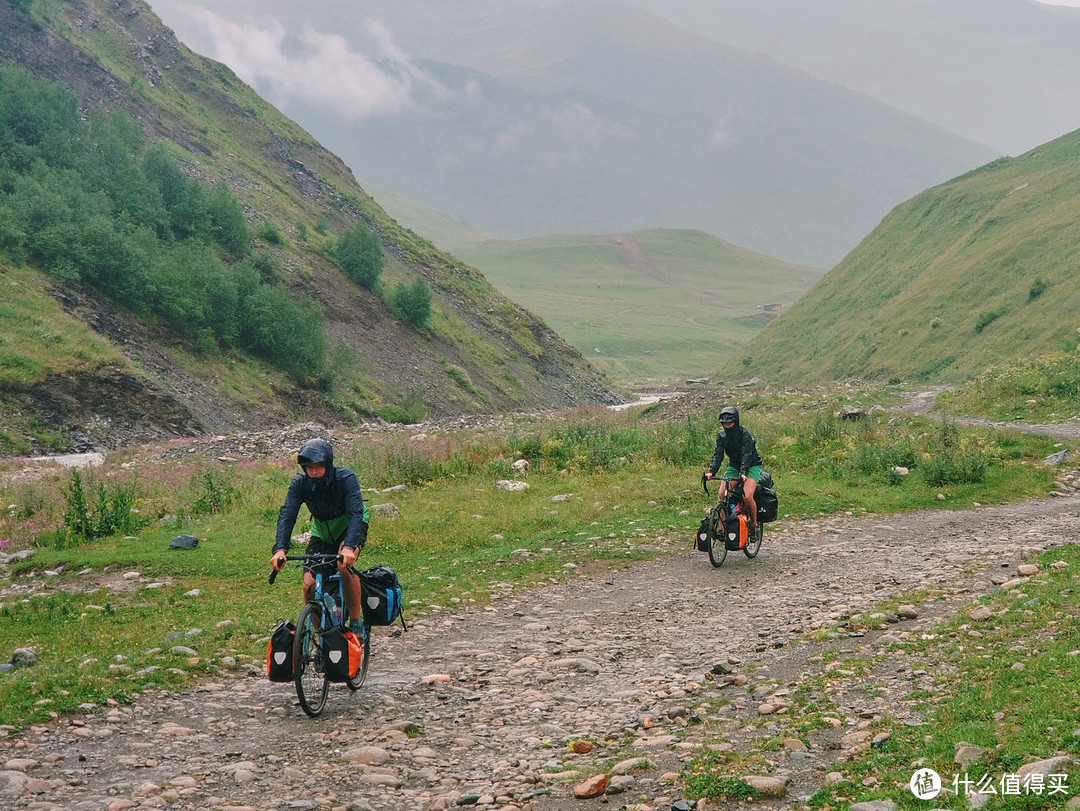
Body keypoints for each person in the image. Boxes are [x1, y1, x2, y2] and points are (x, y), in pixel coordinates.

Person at [271, 438, 370, 638]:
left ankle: (357, 621)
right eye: (309, 467)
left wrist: (349, 546)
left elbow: (356, 513)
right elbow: (288, 514)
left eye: (318, 467)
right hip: (321, 531)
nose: (314, 472)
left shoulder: (345, 478)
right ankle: (320, 635)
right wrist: (280, 549)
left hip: (350, 525)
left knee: (344, 565)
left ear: (328, 464)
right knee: (308, 585)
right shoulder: (300, 483)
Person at [705, 405, 763, 531]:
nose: (727, 426)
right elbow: (718, 455)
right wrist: (711, 472)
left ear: (735, 422)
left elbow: (746, 454)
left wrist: (744, 472)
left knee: (747, 496)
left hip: (752, 465)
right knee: (721, 495)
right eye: (724, 423)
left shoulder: (745, 434)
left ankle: (754, 524)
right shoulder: (721, 437)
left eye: (729, 423)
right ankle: (725, 528)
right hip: (734, 466)